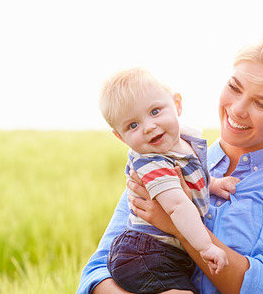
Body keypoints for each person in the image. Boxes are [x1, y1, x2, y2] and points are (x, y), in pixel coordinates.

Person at [78, 37, 263, 294]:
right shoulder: (165, 158)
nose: (238, 109)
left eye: (261, 103)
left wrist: (175, 225)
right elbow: (98, 272)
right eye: (235, 87)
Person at [98, 67, 238, 293]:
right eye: (133, 125)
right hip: (145, 253)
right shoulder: (153, 162)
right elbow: (177, 206)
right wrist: (206, 247)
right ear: (120, 137)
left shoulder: (184, 141)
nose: (149, 126)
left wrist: (213, 185)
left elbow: (194, 176)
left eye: (155, 111)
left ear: (177, 105)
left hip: (163, 252)